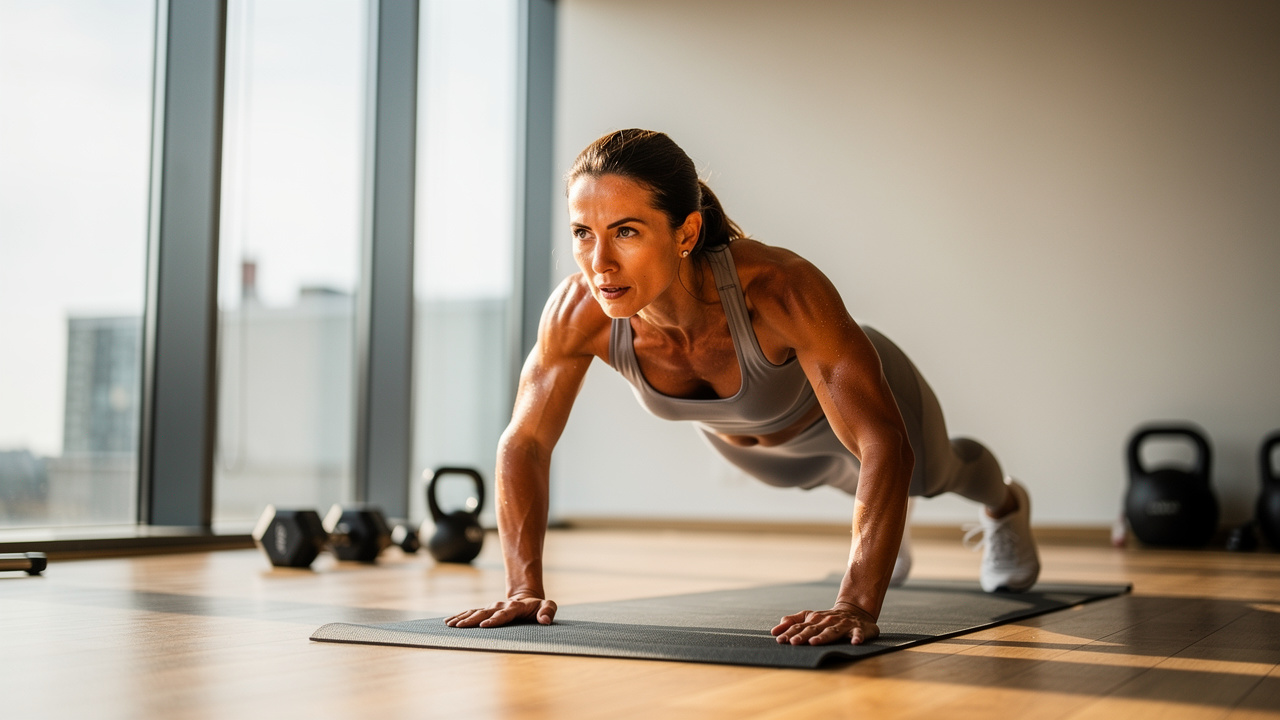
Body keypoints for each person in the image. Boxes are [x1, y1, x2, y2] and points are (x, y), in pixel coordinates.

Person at [445, 129, 1040, 646]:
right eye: (581, 232)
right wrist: (523, 588)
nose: (598, 262)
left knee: (938, 474)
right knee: (865, 489)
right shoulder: (579, 312)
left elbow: (885, 442)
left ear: (686, 232)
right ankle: (879, 527)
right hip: (751, 447)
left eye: (625, 231)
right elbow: (523, 443)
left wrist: (857, 598)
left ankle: (1005, 505)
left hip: (857, 412)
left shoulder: (780, 287)